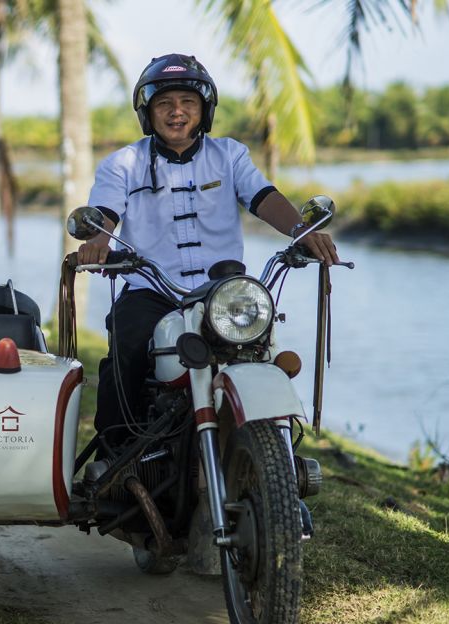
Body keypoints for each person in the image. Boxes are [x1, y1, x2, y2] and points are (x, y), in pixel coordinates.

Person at [79, 54, 340, 452]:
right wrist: (99, 239)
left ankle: (277, 454)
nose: (177, 112)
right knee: (126, 348)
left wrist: (301, 232)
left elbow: (262, 196)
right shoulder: (123, 163)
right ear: (148, 112)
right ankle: (118, 458)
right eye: (165, 104)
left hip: (222, 292)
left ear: (205, 109)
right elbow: (106, 212)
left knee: (264, 351)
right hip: (152, 291)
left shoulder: (230, 155)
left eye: (188, 102)